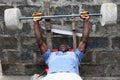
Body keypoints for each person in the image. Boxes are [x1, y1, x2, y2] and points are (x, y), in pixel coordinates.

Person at [33, 13, 90, 80]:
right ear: (57, 49)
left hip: (70, 76)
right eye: (61, 45)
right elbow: (40, 42)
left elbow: (84, 40)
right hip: (52, 76)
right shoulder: (49, 55)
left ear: (69, 49)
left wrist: (86, 20)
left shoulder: (75, 55)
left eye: (65, 45)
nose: (63, 45)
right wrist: (36, 22)